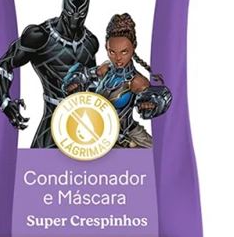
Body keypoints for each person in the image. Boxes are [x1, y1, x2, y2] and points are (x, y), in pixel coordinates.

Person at [0, 0, 98, 148]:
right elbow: (3, 66)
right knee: (39, 161)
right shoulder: (39, 36)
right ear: (64, 8)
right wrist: (5, 101)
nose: (75, 20)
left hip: (85, 122)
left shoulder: (90, 42)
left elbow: (94, 83)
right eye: (71, 13)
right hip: (52, 120)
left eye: (81, 15)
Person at [63, 13, 172, 148]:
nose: (118, 58)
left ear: (133, 47)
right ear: (106, 48)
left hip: (127, 133)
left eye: (124, 52)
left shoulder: (137, 81)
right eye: (112, 52)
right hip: (96, 129)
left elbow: (156, 100)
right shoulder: (106, 68)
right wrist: (74, 84)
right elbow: (80, 75)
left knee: (156, 154)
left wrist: (150, 104)